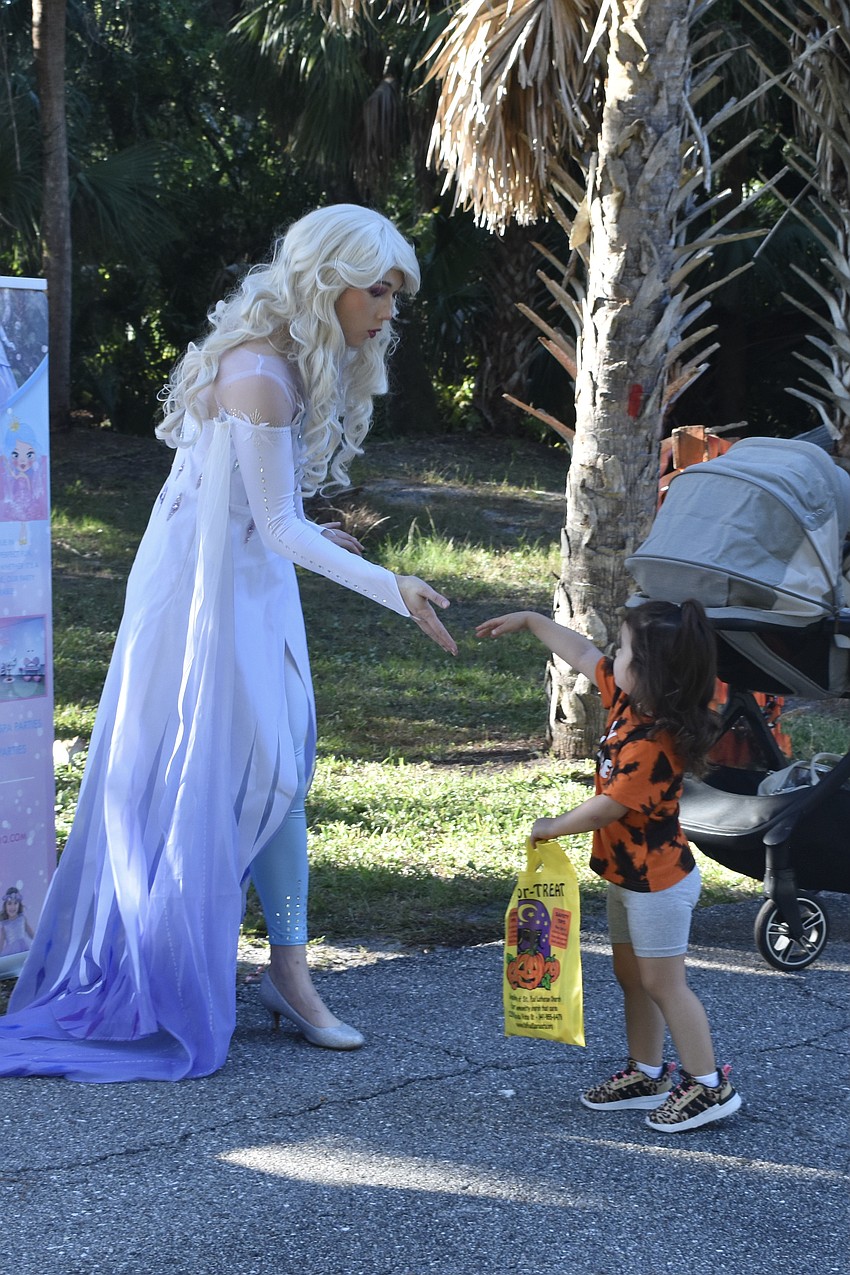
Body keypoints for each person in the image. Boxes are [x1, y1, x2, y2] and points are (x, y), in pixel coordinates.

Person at [0, 204, 458, 1083]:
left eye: (395, 293)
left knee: (279, 770)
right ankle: (193, 967)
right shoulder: (258, 372)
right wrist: (392, 587)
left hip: (244, 581)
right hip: (201, 594)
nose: (388, 310)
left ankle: (285, 973)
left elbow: (264, 507)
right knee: (217, 773)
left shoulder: (280, 361)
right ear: (328, 282)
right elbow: (279, 526)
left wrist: (317, 530)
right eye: (377, 290)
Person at [476, 599, 742, 1133]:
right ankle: (647, 1073)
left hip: (659, 884)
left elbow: (610, 806)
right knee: (633, 978)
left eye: (622, 650)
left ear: (650, 672)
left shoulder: (655, 742)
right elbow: (579, 652)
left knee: (664, 983)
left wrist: (553, 825)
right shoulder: (628, 699)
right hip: (627, 876)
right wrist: (532, 621)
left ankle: (709, 1085)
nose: (611, 657)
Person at [0, 887, 34, 956]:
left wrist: (40, 943)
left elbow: (31, 934)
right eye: (9, 903)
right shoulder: (4, 925)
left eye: (15, 903)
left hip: (24, 949)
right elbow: (1, 944)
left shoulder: (22, 919)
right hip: (10, 953)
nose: (12, 907)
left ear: (19, 905)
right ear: (5, 906)